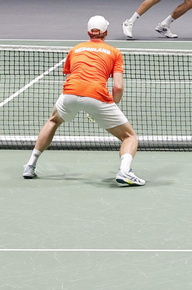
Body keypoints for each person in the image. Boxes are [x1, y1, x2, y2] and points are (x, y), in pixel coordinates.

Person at [23, 16, 145, 186]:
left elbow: (71, 76)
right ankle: (125, 172)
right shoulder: (114, 52)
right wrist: (110, 106)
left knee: (53, 120)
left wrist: (78, 100)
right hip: (97, 96)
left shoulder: (75, 49)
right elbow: (118, 87)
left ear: (88, 32)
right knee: (129, 137)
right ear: (106, 32)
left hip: (70, 93)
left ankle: (30, 165)